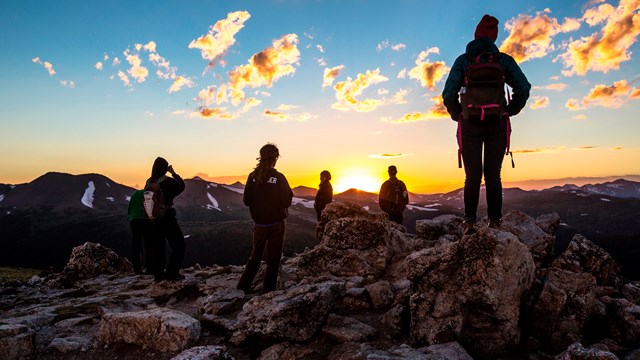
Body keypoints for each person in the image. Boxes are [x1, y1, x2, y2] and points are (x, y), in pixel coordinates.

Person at [442, 14, 530, 235]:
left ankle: (470, 222)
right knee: (493, 175)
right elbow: (524, 87)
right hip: (497, 123)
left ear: (475, 36)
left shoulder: (464, 61)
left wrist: (458, 114)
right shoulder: (503, 60)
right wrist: (510, 110)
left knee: (472, 176)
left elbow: (448, 93)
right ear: (494, 38)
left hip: (470, 125)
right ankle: (494, 221)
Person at [237, 143, 293, 294]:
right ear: (275, 158)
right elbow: (287, 201)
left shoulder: (252, 176)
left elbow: (246, 201)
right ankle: (268, 293)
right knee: (273, 261)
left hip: (259, 225)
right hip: (276, 224)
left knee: (254, 258)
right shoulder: (279, 178)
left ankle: (241, 289)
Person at [146, 157, 186, 281]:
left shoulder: (149, 183)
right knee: (179, 245)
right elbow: (182, 186)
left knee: (159, 247)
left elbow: (147, 203)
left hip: (153, 220)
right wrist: (173, 173)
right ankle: (172, 272)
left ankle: (158, 275)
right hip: (168, 218)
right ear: (165, 168)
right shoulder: (168, 181)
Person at [127, 189, 151, 275]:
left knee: (136, 245)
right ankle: (149, 269)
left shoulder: (135, 194)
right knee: (148, 245)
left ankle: (137, 269)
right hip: (145, 220)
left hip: (134, 220)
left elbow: (129, 210)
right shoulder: (151, 193)